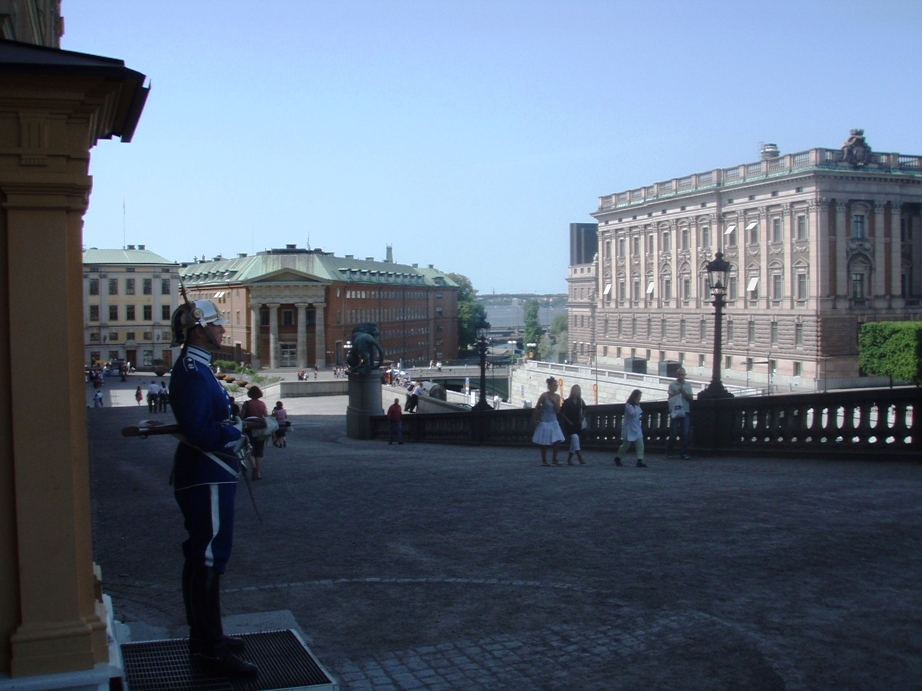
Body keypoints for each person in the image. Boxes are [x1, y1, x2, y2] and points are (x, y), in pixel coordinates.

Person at [168, 298, 268, 677]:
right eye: (217, 324)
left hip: (211, 472)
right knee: (209, 556)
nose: (224, 329)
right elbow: (201, 431)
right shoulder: (193, 372)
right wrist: (240, 431)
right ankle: (211, 650)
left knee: (202, 555)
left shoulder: (200, 368)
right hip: (206, 472)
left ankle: (207, 636)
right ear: (199, 329)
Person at [531, 377, 565, 466]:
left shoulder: (557, 397)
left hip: (553, 420)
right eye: (554, 385)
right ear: (549, 386)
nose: (556, 387)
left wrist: (554, 402)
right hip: (544, 421)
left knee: (558, 440)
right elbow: (537, 407)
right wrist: (535, 419)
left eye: (556, 385)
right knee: (544, 441)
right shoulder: (544, 396)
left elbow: (558, 411)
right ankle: (544, 460)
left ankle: (555, 458)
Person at [241, 386, 269, 480]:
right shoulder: (262, 404)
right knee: (259, 450)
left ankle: (254, 467)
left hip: (249, 429)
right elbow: (266, 416)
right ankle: (258, 472)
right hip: (260, 429)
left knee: (249, 449)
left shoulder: (247, 404)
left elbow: (242, 416)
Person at [666, 368, 693, 460]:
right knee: (674, 432)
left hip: (685, 411)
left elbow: (691, 399)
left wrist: (685, 393)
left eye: (683, 375)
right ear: (677, 375)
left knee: (685, 433)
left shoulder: (688, 385)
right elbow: (669, 398)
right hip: (676, 411)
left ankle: (683, 452)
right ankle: (670, 450)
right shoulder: (672, 385)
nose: (681, 376)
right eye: (680, 375)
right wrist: (677, 393)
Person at [614, 389, 646, 467]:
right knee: (626, 445)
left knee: (640, 444)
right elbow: (633, 414)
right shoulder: (629, 405)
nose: (639, 399)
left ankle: (640, 460)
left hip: (636, 427)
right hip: (629, 428)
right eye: (638, 397)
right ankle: (618, 457)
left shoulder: (637, 405)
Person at [558, 384, 587, 465]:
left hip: (577, 423)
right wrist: (568, 421)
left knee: (575, 440)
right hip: (569, 424)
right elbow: (562, 412)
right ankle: (580, 457)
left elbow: (585, 409)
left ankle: (569, 459)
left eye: (578, 390)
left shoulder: (580, 401)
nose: (576, 391)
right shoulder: (567, 401)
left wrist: (582, 418)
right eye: (575, 390)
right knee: (575, 437)